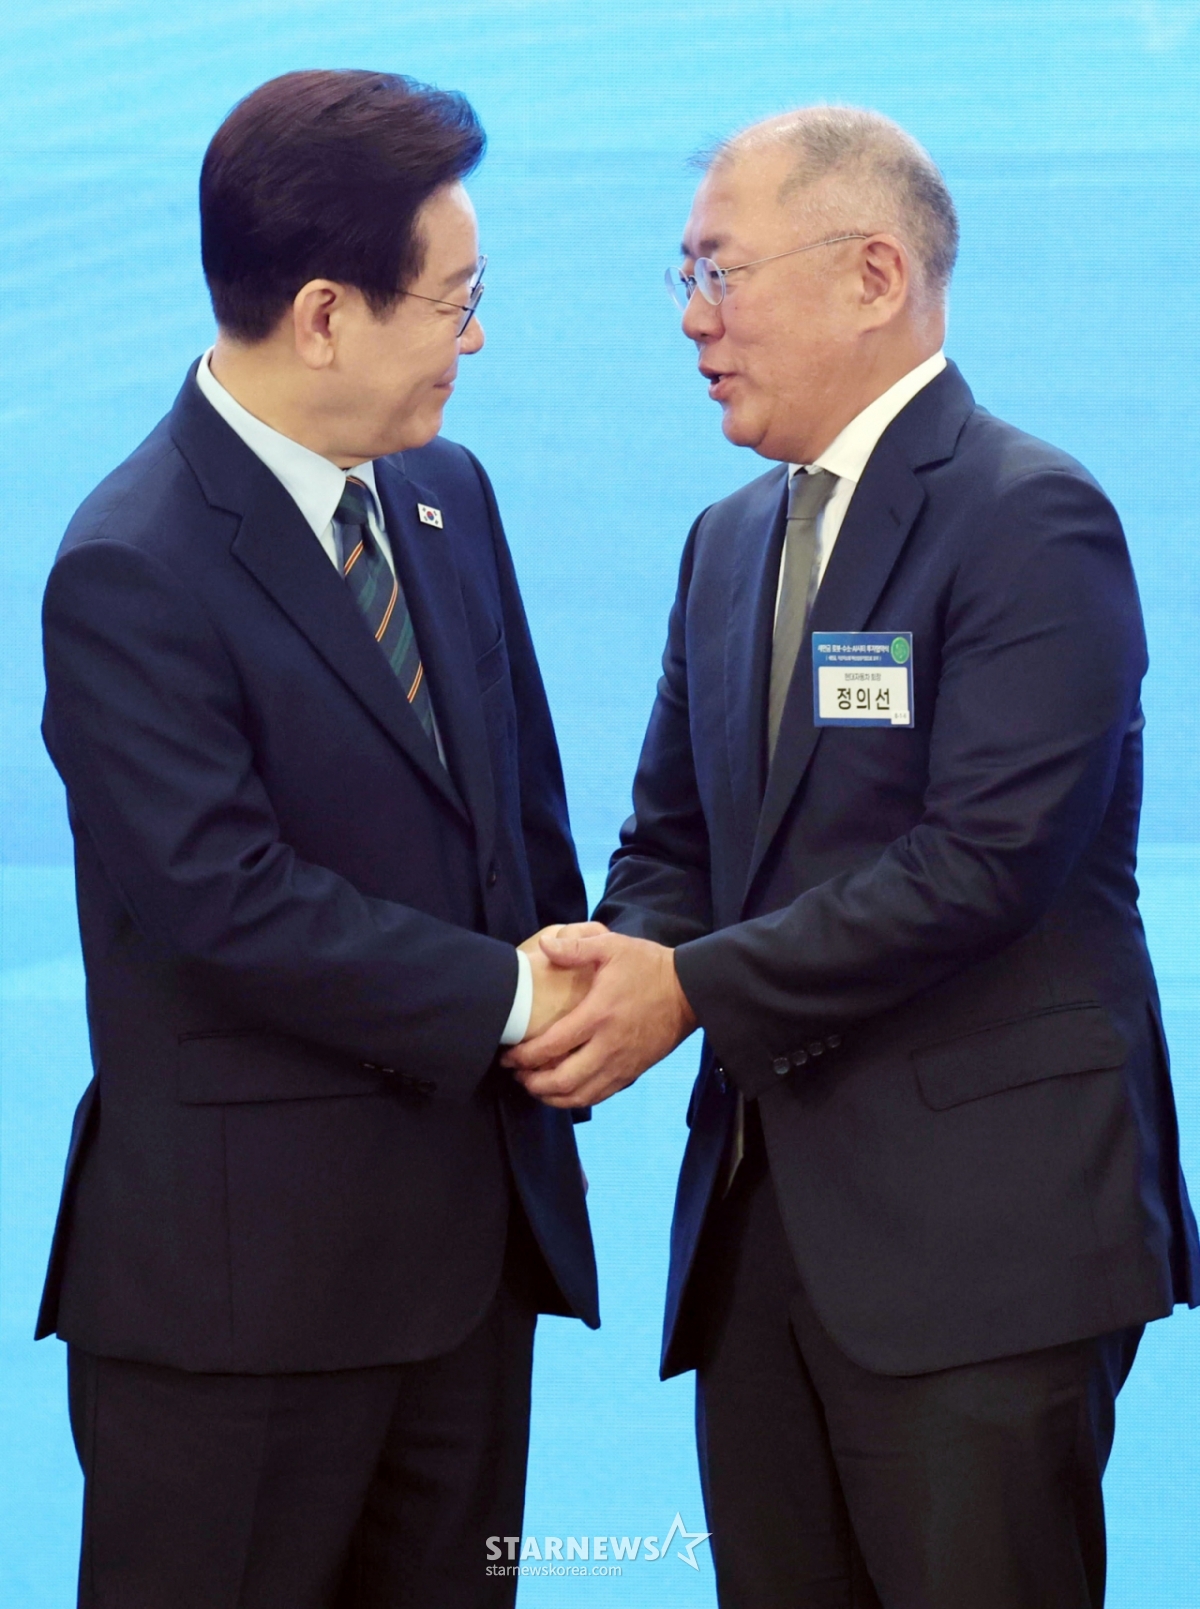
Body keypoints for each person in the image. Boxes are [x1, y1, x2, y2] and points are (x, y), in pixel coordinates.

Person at [506, 107, 1200, 1606]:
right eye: (684, 275)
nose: (693, 318)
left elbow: (987, 863)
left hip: (983, 1254)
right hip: (762, 1245)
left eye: (722, 271)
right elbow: (676, 841)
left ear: (874, 273)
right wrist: (617, 961)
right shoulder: (727, 540)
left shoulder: (1028, 516)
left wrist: (687, 988)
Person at [39, 69, 598, 1609]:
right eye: (456, 302)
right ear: (327, 315)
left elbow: (519, 825)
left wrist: (591, 968)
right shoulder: (132, 564)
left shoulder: (446, 495)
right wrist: (517, 999)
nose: (474, 339)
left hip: (467, 1286)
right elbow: (230, 902)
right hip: (243, 1321)